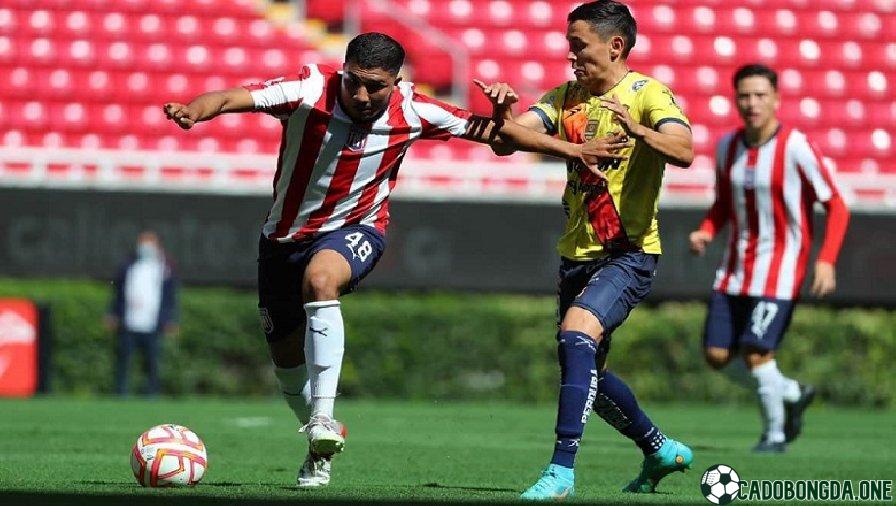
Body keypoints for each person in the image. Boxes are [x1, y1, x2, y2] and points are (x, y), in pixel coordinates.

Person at [163, 32, 625, 488]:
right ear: (342, 71)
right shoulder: (307, 90)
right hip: (282, 241)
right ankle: (319, 439)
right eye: (354, 82)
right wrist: (193, 111)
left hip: (357, 228)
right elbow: (228, 97)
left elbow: (495, 137)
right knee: (286, 361)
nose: (362, 95)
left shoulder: (416, 109)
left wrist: (571, 148)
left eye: (375, 86)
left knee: (321, 280)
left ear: (396, 81)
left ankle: (323, 418)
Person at [477, 1, 695, 499]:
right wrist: (501, 113)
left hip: (628, 252)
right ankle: (659, 448)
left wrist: (640, 132)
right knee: (586, 374)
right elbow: (506, 141)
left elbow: (684, 150)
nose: (570, 53)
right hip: (577, 253)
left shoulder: (646, 94)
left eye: (578, 44)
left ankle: (560, 471)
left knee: (576, 336)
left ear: (614, 45)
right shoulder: (565, 97)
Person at [689, 63, 850, 453]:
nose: (752, 103)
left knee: (758, 352)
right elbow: (723, 204)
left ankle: (775, 435)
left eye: (760, 95)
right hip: (734, 270)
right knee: (716, 355)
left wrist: (826, 259)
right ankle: (791, 392)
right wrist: (707, 230)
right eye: (745, 95)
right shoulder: (727, 147)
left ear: (776, 99)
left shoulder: (796, 147)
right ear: (736, 100)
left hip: (780, 271)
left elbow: (837, 205)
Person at [106, 231, 179, 397]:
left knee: (152, 362)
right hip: (129, 323)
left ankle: (152, 393)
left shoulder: (165, 267)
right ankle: (121, 393)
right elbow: (117, 293)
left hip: (153, 325)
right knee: (124, 360)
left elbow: (171, 297)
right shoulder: (128, 266)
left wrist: (170, 319)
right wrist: (113, 313)